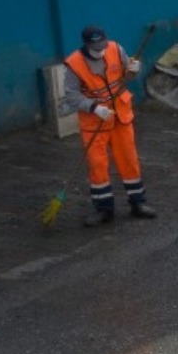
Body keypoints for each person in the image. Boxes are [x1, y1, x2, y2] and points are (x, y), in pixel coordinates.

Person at [65, 26, 155, 227]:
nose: (101, 50)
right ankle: (103, 209)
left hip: (121, 116)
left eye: (102, 46)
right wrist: (94, 107)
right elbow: (71, 96)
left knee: (129, 160)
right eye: (96, 48)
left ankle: (138, 202)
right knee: (98, 166)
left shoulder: (115, 48)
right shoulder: (74, 64)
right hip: (94, 122)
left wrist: (133, 71)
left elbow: (125, 77)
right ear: (87, 45)